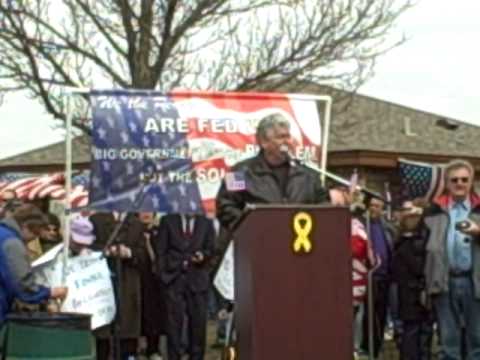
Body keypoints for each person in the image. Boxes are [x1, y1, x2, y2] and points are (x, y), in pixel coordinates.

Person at [216, 115, 328, 230]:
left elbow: (323, 204)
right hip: (258, 241)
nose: (288, 142)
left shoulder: (307, 173)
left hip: (300, 239)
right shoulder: (238, 172)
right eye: (281, 137)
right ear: (264, 142)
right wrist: (253, 226)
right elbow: (226, 207)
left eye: (288, 136)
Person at [420, 159, 480, 360]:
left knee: (477, 343)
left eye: (464, 179)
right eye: (455, 180)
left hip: (475, 283)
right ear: (447, 183)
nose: (460, 183)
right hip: (443, 282)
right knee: (448, 343)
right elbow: (421, 249)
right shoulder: (433, 211)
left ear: (471, 181)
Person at [155, 213, 215, 360]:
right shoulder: (168, 221)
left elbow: (211, 249)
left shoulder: (206, 223)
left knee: (198, 325)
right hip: (173, 280)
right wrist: (163, 275)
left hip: (197, 280)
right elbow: (160, 250)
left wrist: (203, 256)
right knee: (173, 326)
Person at [0, 204, 68, 325]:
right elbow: (23, 285)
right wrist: (49, 293)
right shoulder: (12, 243)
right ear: (25, 227)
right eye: (35, 234)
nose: (32, 240)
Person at [393, 200, 433, 360]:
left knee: (419, 334)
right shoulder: (408, 242)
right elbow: (418, 267)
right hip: (412, 293)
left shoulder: (402, 240)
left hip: (412, 293)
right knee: (416, 335)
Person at [361, 197, 396, 358]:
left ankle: (377, 346)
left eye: (379, 206)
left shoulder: (387, 227)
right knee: (366, 315)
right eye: (373, 205)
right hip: (366, 277)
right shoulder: (361, 225)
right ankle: (364, 347)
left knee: (381, 315)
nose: (375, 209)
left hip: (384, 278)